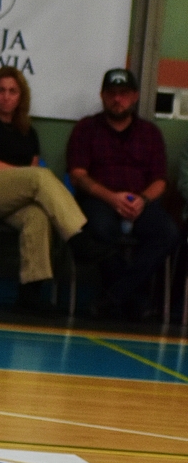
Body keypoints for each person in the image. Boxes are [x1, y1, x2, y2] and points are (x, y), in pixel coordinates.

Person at [0, 67, 100, 314]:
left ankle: (30, 294)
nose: (6, 96)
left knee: (37, 214)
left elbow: (32, 179)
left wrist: (25, 178)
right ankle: (78, 237)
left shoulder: (27, 132)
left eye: (12, 91)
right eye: (1, 90)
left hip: (10, 199)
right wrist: (23, 176)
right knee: (39, 176)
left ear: (21, 96)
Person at [67, 68, 180, 319]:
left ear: (135, 96)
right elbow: (78, 175)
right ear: (102, 95)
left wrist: (143, 200)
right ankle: (135, 298)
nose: (118, 99)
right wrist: (111, 198)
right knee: (99, 229)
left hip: (140, 201)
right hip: (99, 200)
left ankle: (114, 296)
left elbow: (161, 180)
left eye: (124, 93)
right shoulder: (86, 128)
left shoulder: (150, 133)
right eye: (112, 93)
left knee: (167, 232)